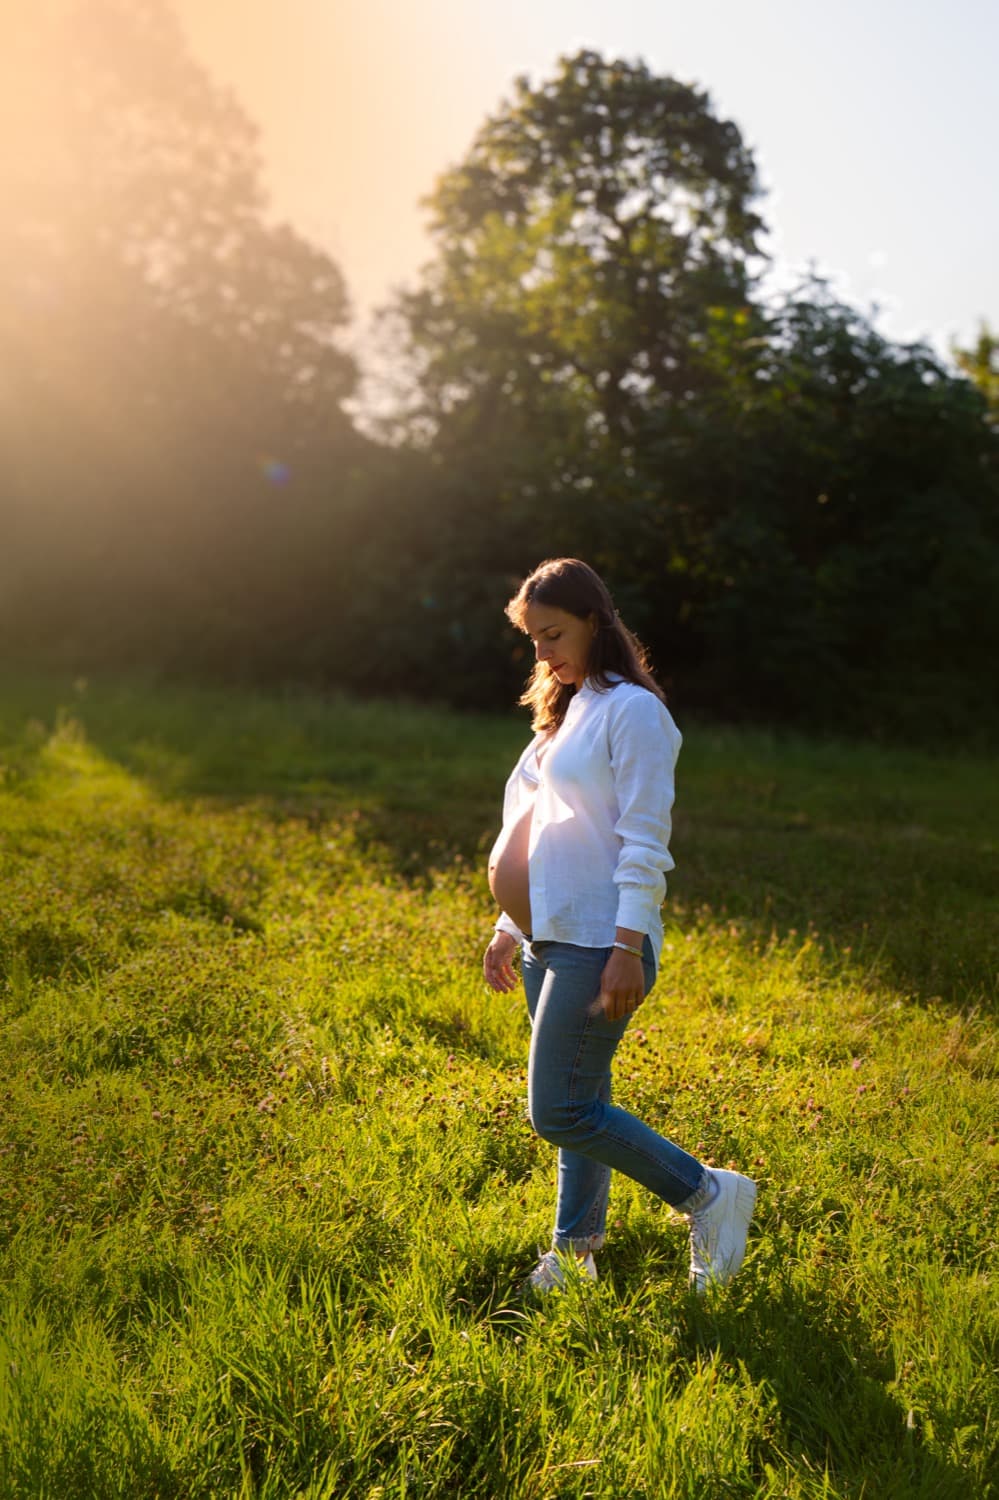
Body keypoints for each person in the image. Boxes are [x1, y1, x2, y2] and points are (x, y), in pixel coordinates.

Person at [483, 558, 756, 1293]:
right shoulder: (565, 711)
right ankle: (574, 1256)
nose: (542, 653)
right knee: (584, 1102)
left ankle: (709, 1194)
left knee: (561, 1110)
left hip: (600, 941)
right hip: (549, 936)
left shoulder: (631, 711)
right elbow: (537, 825)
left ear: (595, 622)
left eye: (553, 634)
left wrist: (627, 947)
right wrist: (510, 925)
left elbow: (644, 840)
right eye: (532, 639)